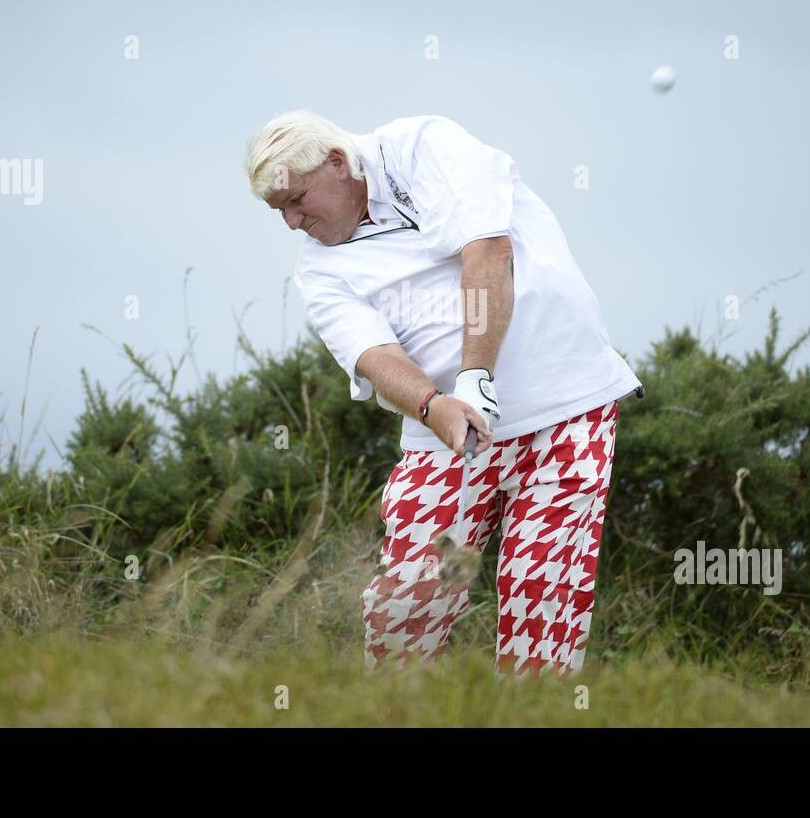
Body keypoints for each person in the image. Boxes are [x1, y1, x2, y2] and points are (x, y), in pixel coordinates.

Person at [244, 111, 642, 677]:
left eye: (297, 199)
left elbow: (488, 252)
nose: (291, 221)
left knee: (541, 599)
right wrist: (435, 405)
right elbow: (373, 355)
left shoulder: (422, 147)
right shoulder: (318, 270)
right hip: (445, 433)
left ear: (337, 162)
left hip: (567, 406)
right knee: (405, 609)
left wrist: (476, 375)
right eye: (277, 209)